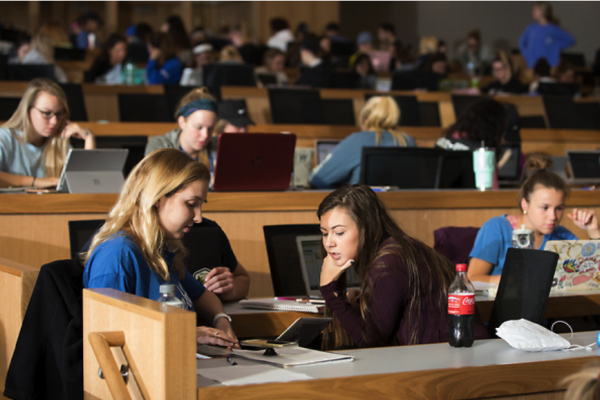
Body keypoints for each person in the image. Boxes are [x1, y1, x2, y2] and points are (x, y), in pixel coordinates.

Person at [83, 148, 238, 346]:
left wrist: (221, 320)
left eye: (200, 205)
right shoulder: (118, 254)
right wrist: (186, 334)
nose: (198, 217)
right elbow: (104, 339)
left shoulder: (159, 250)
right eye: (191, 204)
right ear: (157, 198)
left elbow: (202, 296)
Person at [317, 184, 489, 349]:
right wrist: (363, 301)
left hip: (455, 361)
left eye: (339, 232)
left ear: (366, 228)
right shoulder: (398, 248)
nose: (329, 243)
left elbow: (370, 342)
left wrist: (330, 291)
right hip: (451, 352)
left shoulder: (389, 264)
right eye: (325, 233)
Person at [145, 89, 251, 301]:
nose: (205, 135)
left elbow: (229, 287)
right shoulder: (160, 147)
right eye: (198, 127)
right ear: (182, 122)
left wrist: (221, 309)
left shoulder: (208, 230)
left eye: (210, 128)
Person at [468, 154, 600, 285]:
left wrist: (594, 231)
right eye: (544, 208)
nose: (553, 217)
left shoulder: (562, 236)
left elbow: (593, 276)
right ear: (525, 204)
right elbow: (472, 278)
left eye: (559, 208)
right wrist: (514, 280)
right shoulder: (497, 228)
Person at [0, 78, 96, 188]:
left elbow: (86, 184)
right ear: (27, 110)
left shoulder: (60, 144)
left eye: (59, 114)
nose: (54, 121)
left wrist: (89, 138)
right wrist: (37, 182)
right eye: (46, 113)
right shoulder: (4, 138)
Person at [310, 96, 416, 188]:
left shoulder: (357, 140)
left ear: (365, 120)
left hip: (362, 208)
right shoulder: (408, 141)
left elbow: (318, 179)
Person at [519, 1, 575, 68]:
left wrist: (556, 46)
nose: (533, 11)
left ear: (543, 11)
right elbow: (521, 42)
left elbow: (570, 40)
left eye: (536, 9)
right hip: (534, 66)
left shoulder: (553, 28)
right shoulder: (531, 28)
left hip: (550, 66)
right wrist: (527, 56)